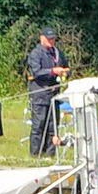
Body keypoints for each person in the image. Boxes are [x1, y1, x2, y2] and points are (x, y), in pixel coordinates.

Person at [26, 27, 69, 156]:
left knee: (53, 126)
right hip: (40, 95)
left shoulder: (58, 53)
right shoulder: (35, 53)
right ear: (42, 38)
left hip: (54, 95)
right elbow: (36, 72)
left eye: (53, 39)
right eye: (49, 38)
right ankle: (35, 154)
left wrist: (65, 73)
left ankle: (50, 154)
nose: (52, 41)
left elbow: (66, 67)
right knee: (38, 126)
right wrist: (52, 71)